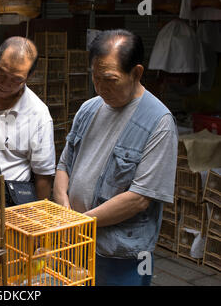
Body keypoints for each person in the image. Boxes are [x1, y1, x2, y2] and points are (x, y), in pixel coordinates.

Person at [53, 29, 178, 286]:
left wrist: (79, 222)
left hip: (119, 253)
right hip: (75, 242)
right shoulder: (89, 108)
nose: (101, 88)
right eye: (96, 79)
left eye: (110, 79)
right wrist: (64, 208)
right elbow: (64, 164)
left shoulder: (158, 122)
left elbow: (139, 199)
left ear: (136, 73)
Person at [0, 36, 56, 201]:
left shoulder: (38, 114)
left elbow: (43, 177)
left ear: (29, 76)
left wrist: (38, 218)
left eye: (16, 80)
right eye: (1, 73)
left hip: (8, 204)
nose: (5, 84)